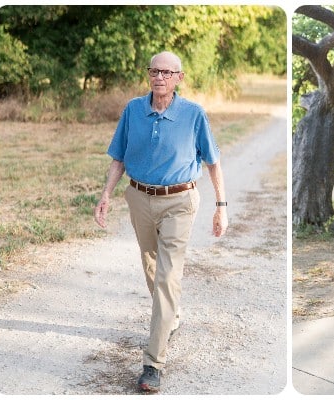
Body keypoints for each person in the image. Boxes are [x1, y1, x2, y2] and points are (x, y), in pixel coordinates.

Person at [93, 51, 228, 392]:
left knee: (168, 276)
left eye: (167, 73)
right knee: (151, 265)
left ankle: (153, 363)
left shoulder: (194, 114)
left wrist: (221, 206)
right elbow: (118, 157)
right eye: (154, 71)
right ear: (148, 74)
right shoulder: (133, 110)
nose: (160, 77)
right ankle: (172, 316)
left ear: (179, 78)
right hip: (139, 197)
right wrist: (106, 194)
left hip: (180, 202)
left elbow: (212, 163)